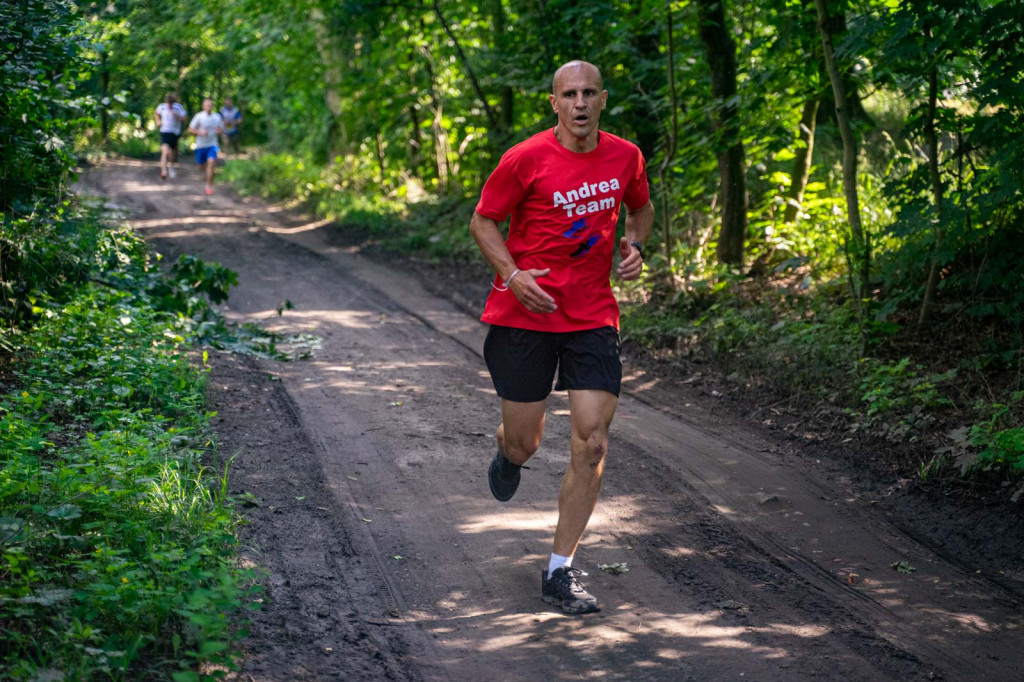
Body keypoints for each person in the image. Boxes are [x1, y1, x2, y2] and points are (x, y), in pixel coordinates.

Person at [469, 60, 654, 615]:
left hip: (593, 315)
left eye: (589, 93)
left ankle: (559, 570)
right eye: (568, 94)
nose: (579, 102)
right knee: (526, 442)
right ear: (554, 103)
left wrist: (636, 246)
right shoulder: (524, 158)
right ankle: (508, 452)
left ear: (603, 100)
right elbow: (483, 221)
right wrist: (512, 274)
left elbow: (640, 210)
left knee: (592, 442)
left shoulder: (626, 156)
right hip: (526, 314)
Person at [187, 98, 224, 195]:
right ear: (203, 106)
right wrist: (199, 132)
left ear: (213, 106)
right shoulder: (199, 116)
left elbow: (222, 129)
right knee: (201, 166)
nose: (209, 107)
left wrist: (219, 131)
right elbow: (190, 129)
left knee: (211, 162)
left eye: (210, 105)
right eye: (207, 105)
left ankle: (208, 186)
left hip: (213, 145)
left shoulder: (217, 117)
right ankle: (208, 173)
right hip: (200, 145)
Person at [154, 93, 187, 180]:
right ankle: (163, 171)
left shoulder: (178, 107)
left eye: (171, 103)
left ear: (174, 102)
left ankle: (171, 166)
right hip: (165, 131)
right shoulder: (162, 107)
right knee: (164, 151)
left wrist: (177, 116)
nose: (169, 105)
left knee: (172, 152)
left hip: (175, 133)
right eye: (168, 103)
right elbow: (156, 113)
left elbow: (184, 119)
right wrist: (158, 121)